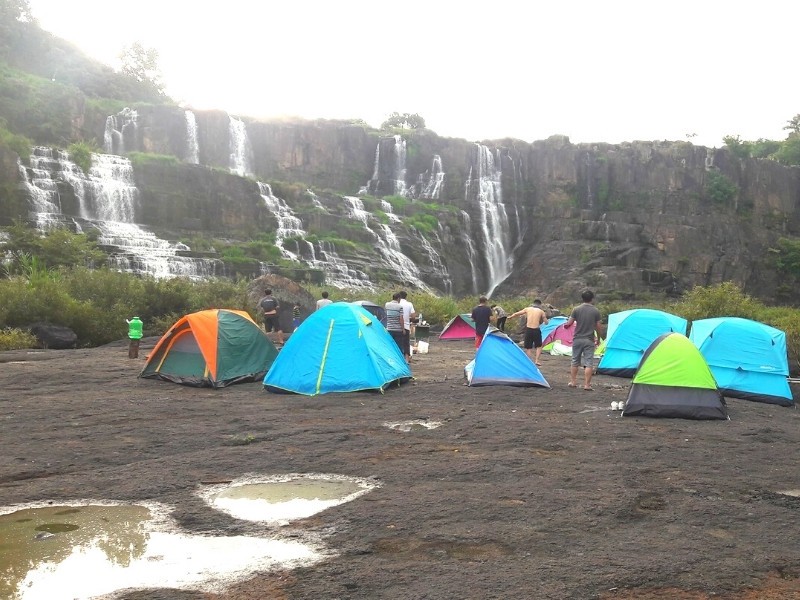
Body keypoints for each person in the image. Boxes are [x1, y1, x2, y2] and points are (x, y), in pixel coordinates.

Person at [563, 289, 603, 391]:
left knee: (575, 360)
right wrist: (598, 338)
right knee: (589, 362)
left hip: (577, 339)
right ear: (592, 299)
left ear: (582, 298)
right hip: (589, 339)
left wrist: (566, 326)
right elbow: (598, 326)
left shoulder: (576, 309)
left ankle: (573, 382)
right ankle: (587, 385)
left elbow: (569, 323)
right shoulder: (595, 311)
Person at [509, 299, 549, 365]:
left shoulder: (527, 309)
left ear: (533, 304)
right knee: (539, 346)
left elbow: (517, 313)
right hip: (536, 330)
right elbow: (546, 322)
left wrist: (510, 317)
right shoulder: (541, 311)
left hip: (529, 330)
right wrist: (545, 321)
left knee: (528, 347)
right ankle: (537, 360)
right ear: (540, 305)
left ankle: (529, 362)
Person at [384, 292, 406, 358]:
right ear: (398, 298)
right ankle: (399, 359)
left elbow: (385, 315)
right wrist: (403, 329)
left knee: (389, 345)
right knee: (398, 346)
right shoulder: (400, 307)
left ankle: (390, 358)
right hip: (398, 330)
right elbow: (401, 319)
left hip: (389, 329)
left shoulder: (387, 305)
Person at [398, 290, 416, 362]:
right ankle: (407, 359)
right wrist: (410, 320)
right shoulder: (409, 304)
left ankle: (398, 359)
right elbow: (413, 316)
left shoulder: (397, 304)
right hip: (406, 326)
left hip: (396, 327)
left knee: (398, 343)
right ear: (406, 297)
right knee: (406, 343)